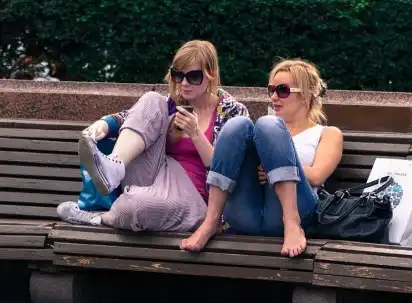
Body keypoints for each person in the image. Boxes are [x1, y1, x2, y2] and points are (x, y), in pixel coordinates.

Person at [57, 40, 248, 232]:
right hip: (157, 173)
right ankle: (114, 166)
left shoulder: (232, 112)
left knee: (135, 206)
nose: (184, 83)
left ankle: (98, 218)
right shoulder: (172, 104)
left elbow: (229, 171)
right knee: (152, 99)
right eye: (178, 75)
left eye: (194, 76)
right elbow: (130, 117)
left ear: (210, 74)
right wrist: (105, 124)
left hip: (195, 197)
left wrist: (196, 134)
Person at [180, 59, 343, 257]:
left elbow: (317, 176)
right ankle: (211, 220)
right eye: (271, 90)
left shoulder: (327, 133)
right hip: (249, 213)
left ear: (306, 95)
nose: (274, 97)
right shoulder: (264, 133)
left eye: (282, 90)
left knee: (268, 124)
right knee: (238, 124)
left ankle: (292, 223)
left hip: (300, 210)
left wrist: (275, 169)